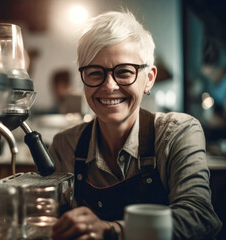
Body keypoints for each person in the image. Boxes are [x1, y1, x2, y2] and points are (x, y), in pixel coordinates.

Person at [49, 11, 222, 240]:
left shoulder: (178, 132)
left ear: (149, 78)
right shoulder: (65, 144)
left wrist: (113, 231)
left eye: (124, 72)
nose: (109, 86)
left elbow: (200, 217)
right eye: (94, 73)